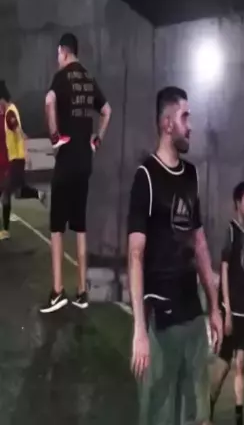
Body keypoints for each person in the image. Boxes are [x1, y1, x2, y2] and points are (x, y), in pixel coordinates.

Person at [128, 86, 223, 425]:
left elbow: (199, 243)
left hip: (193, 314)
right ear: (167, 124)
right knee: (159, 416)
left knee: (199, 416)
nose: (190, 125)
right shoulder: (146, 177)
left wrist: (214, 306)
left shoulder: (191, 175)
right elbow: (135, 255)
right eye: (185, 117)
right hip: (160, 322)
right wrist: (140, 330)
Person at [40, 33, 112, 313]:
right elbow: (106, 111)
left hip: (66, 161)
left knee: (57, 228)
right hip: (85, 163)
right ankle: (82, 292)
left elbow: (49, 101)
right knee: (80, 226)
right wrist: (97, 140)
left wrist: (55, 136)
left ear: (63, 51)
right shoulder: (88, 79)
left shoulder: (61, 78)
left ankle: (57, 292)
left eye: (58, 54)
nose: (57, 59)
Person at [210, 181, 244, 424]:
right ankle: (207, 407)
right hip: (231, 309)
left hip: (242, 312)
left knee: (240, 364)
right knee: (224, 363)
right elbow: (225, 269)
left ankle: (239, 418)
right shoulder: (231, 231)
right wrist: (226, 309)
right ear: (238, 203)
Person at [0, 81, 47, 241]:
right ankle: (38, 194)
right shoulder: (10, 110)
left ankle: (5, 231)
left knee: (7, 193)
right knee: (16, 191)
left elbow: (18, 130)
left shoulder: (9, 113)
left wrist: (25, 143)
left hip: (16, 159)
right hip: (14, 158)